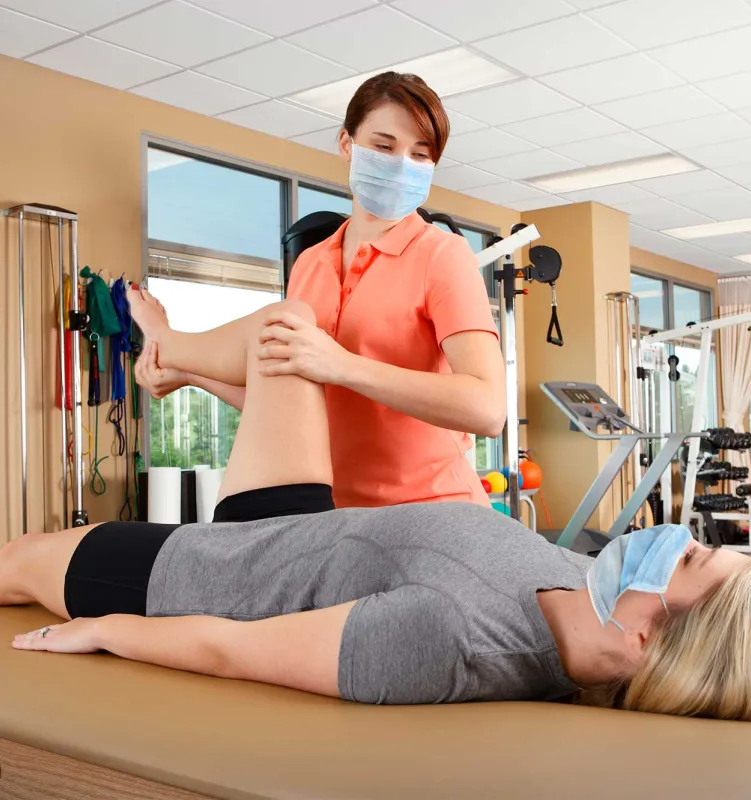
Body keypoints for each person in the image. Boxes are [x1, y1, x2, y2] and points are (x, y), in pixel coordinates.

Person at [4, 297, 751, 722]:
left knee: (14, 560)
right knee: (286, 332)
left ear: (647, 641)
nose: (669, 538)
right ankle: (167, 357)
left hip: (203, 573)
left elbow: (230, 648)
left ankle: (172, 362)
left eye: (690, 559)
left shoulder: (448, 641)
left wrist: (106, 630)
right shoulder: (586, 579)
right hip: (293, 523)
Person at [136, 71, 505, 509]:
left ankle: (173, 343)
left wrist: (342, 365)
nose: (402, 164)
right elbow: (288, 395)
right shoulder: (312, 262)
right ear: (347, 144)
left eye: (420, 154)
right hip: (338, 517)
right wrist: (191, 377)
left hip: (433, 510)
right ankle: (176, 351)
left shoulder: (443, 255)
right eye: (384, 147)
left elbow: (487, 409)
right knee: (284, 326)